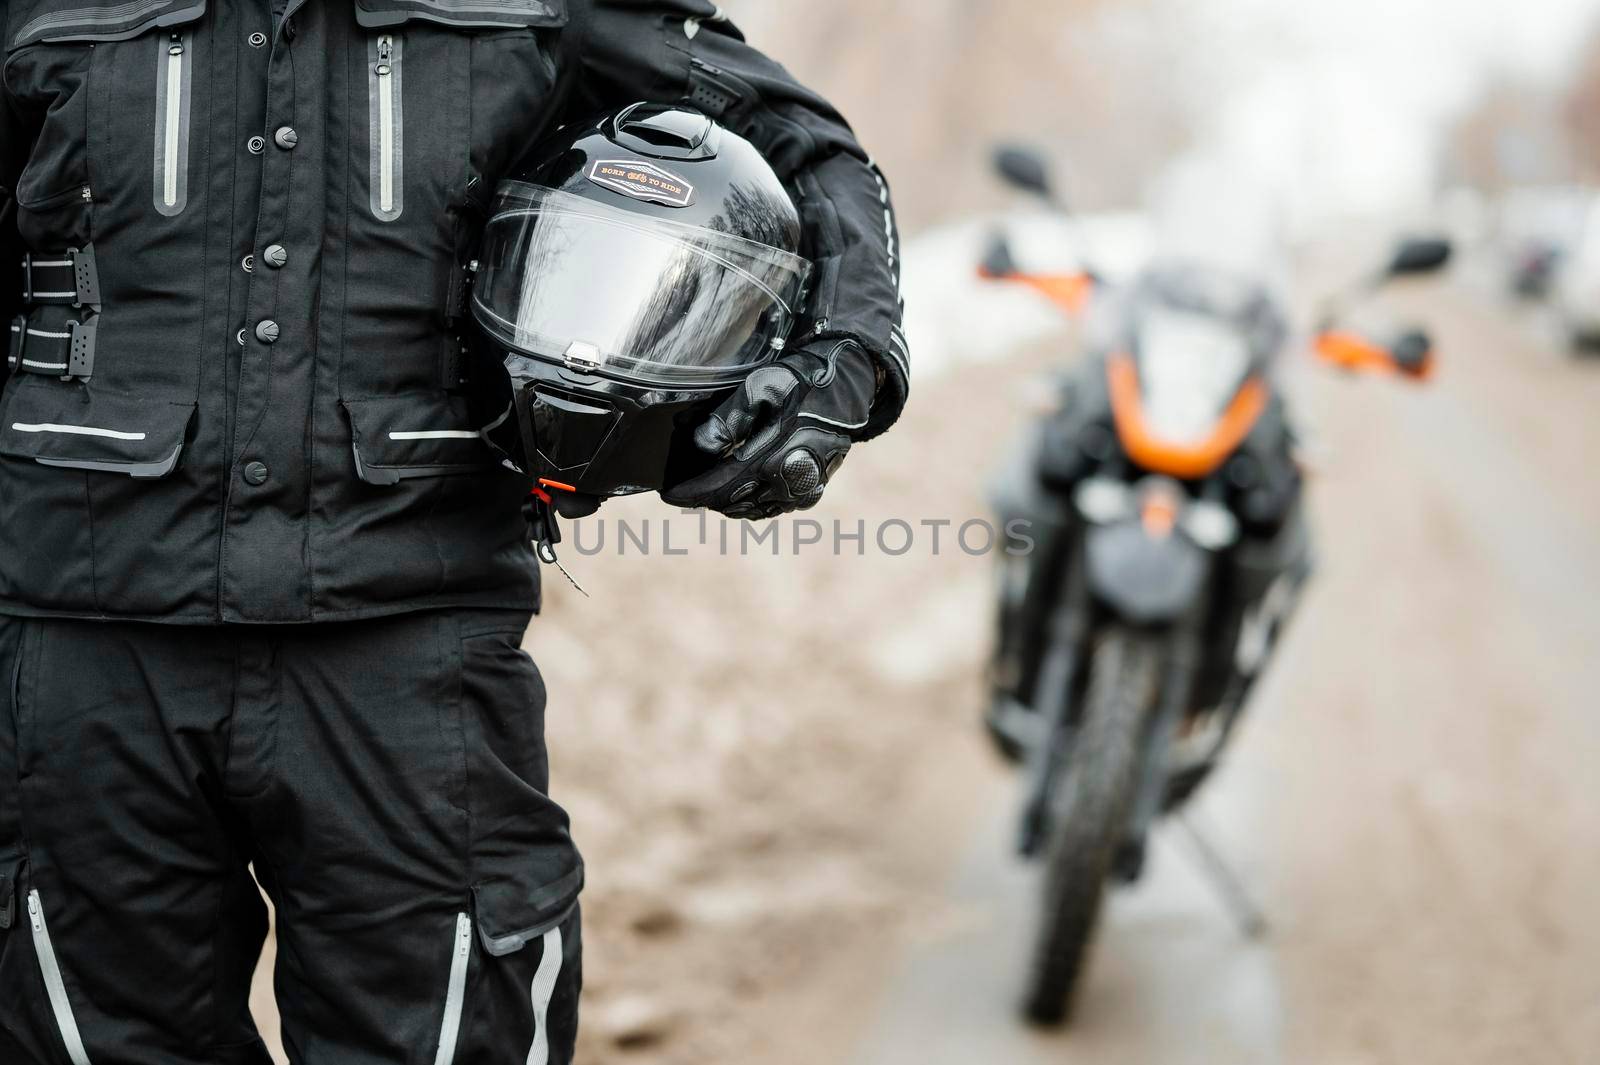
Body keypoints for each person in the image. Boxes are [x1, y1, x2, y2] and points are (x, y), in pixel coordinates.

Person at [0, 2, 907, 1062]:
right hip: (77, 647)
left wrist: (844, 361)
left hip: (413, 644)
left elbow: (814, 151)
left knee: (453, 1035)